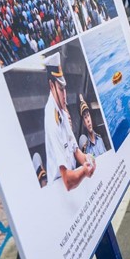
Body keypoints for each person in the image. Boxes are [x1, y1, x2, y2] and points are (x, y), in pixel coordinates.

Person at [42, 52, 95, 191]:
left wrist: (88, 160)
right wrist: (84, 171)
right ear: (51, 86)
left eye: (64, 89)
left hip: (72, 184)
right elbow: (67, 181)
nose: (64, 95)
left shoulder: (62, 110)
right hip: (59, 192)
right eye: (60, 89)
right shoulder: (51, 118)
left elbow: (75, 150)